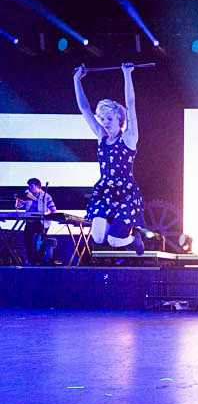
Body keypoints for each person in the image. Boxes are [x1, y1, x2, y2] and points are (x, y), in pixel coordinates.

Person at [73, 63, 145, 255]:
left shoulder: (129, 137)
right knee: (97, 238)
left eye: (109, 119)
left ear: (119, 119)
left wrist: (127, 74)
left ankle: (133, 239)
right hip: (105, 191)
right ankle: (116, 229)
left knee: (114, 241)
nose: (105, 123)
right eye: (102, 119)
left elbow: (130, 104)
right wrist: (76, 79)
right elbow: (84, 109)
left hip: (125, 193)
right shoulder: (101, 137)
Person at [15, 178, 56, 264]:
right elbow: (18, 206)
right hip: (30, 221)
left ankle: (39, 260)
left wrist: (47, 216)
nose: (29, 187)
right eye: (28, 185)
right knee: (27, 241)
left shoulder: (46, 196)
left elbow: (53, 210)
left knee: (39, 242)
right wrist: (19, 198)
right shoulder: (28, 195)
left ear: (38, 186)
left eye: (31, 185)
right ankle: (30, 261)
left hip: (41, 222)